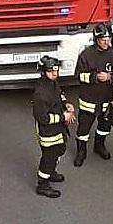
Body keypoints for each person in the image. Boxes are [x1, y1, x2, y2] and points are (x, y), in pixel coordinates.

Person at [72, 23, 113, 167]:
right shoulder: (86, 55)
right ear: (96, 39)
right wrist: (95, 77)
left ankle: (99, 146)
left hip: (106, 101)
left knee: (104, 127)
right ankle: (81, 152)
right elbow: (78, 75)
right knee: (83, 129)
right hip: (88, 101)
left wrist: (111, 77)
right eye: (103, 39)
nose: (106, 42)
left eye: (108, 38)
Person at [32, 55, 75, 198]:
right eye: (51, 71)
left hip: (58, 129)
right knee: (49, 157)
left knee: (60, 149)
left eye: (56, 71)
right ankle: (42, 184)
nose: (55, 74)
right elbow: (43, 118)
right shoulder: (40, 94)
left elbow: (60, 95)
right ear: (43, 72)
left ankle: (51, 172)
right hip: (48, 132)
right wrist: (64, 117)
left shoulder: (53, 83)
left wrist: (66, 104)